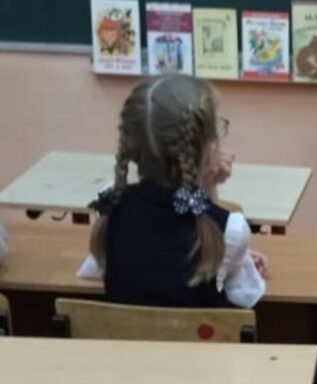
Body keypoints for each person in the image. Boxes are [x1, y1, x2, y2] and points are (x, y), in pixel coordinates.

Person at [79, 74, 267, 308]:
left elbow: (92, 269)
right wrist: (209, 186)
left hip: (122, 334)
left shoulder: (114, 204)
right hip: (201, 334)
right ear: (206, 147)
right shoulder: (231, 230)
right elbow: (246, 295)